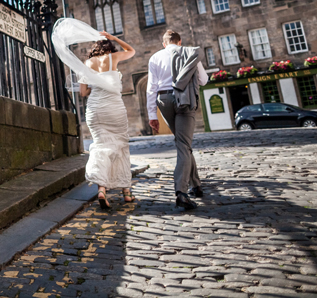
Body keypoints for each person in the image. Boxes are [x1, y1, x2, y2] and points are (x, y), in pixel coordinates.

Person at [51, 19, 135, 210]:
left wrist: (95, 89)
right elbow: (132, 52)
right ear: (110, 48)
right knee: (121, 145)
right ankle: (126, 193)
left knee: (100, 146)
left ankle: (102, 189)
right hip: (114, 108)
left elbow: (82, 93)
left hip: (95, 109)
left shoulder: (87, 63)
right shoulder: (113, 58)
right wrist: (114, 37)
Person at [146, 29, 208, 210]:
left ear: (164, 44)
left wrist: (152, 115)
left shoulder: (155, 57)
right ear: (179, 42)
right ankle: (181, 192)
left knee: (183, 143)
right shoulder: (190, 53)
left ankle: (196, 185)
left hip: (164, 101)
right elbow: (203, 80)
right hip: (185, 99)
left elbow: (151, 88)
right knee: (184, 144)